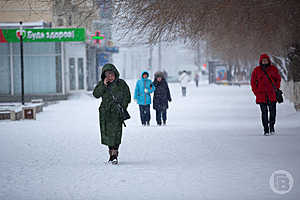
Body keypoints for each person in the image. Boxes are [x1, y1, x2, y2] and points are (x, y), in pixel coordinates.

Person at [93, 63, 131, 164]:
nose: (109, 76)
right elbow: (96, 94)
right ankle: (111, 154)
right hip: (105, 113)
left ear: (115, 73)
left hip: (117, 113)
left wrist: (122, 107)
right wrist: (104, 85)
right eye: (107, 74)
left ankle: (114, 154)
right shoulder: (102, 84)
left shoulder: (121, 84)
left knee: (116, 134)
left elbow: (127, 97)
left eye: (111, 74)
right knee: (108, 134)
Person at [251, 54, 281, 136]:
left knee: (273, 112)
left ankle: (271, 126)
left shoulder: (273, 69)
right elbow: (253, 82)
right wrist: (256, 92)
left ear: (268, 60)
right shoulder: (256, 70)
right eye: (263, 60)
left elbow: (278, 79)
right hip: (261, 95)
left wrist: (276, 88)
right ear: (260, 61)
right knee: (264, 112)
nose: (264, 61)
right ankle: (266, 129)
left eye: (266, 60)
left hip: (272, 94)